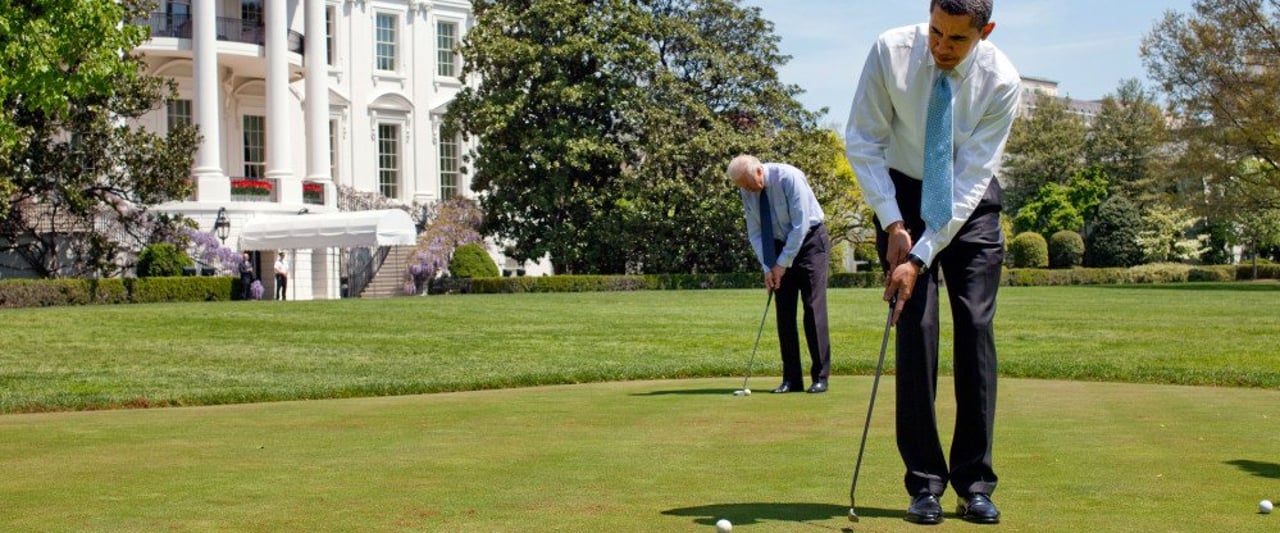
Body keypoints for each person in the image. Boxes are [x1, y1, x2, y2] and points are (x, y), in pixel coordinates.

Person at [844, 0, 1019, 525]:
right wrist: (894, 224)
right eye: (936, 32)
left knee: (974, 327)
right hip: (898, 194)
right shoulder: (890, 50)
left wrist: (921, 255)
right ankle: (924, 485)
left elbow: (967, 182)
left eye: (957, 39)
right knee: (915, 331)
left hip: (970, 201)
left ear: (984, 31)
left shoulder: (1002, 81)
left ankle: (975, 483)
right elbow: (864, 140)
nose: (941, 47)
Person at [727, 154, 833, 394]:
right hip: (775, 247)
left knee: (812, 308)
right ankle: (791, 379)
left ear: (758, 172)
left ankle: (820, 377)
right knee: (784, 312)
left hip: (809, 243)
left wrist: (782, 263)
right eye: (742, 187)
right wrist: (768, 267)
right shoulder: (747, 190)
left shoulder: (789, 177)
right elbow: (755, 232)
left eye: (748, 184)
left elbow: (801, 225)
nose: (747, 191)